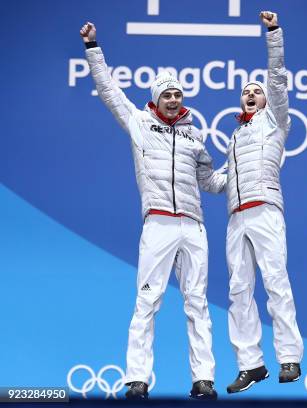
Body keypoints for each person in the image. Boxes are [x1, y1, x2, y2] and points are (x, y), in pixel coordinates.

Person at [80, 22, 226, 400]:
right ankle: (137, 378)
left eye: (178, 94)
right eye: (168, 95)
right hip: (158, 223)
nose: (175, 99)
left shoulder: (195, 135)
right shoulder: (140, 124)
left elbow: (210, 182)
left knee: (198, 304)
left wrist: (242, 168)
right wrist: (93, 47)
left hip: (194, 227)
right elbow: (111, 92)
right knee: (147, 300)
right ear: (156, 99)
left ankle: (203, 379)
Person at [224, 11, 303, 394]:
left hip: (266, 209)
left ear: (269, 99)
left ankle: (289, 357)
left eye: (256, 90)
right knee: (239, 290)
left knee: (275, 281)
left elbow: (277, 75)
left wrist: (273, 34)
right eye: (245, 91)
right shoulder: (235, 137)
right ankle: (250, 364)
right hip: (235, 218)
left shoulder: (276, 121)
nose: (251, 93)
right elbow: (222, 180)